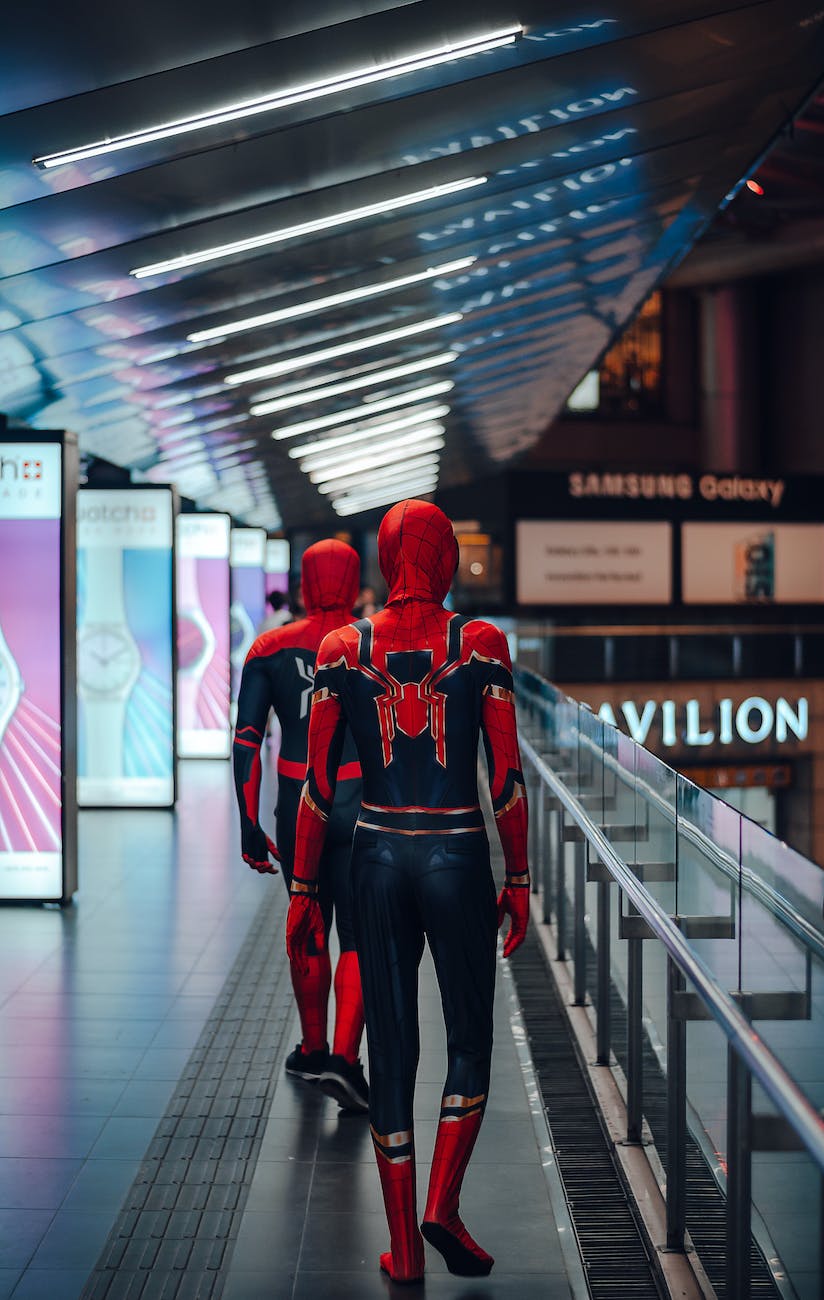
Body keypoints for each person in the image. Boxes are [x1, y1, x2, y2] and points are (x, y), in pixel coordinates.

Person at [286, 499, 530, 1282]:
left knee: (391, 1054)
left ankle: (402, 1252)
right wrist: (519, 878)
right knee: (468, 1042)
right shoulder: (479, 643)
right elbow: (508, 781)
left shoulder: (339, 649)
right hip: (457, 854)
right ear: (441, 554)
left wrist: (300, 891)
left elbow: (318, 791)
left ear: (386, 558)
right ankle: (441, 1206)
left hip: (378, 856)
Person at [233, 539, 368, 1111]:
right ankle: (343, 1057)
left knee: (306, 916)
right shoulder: (375, 642)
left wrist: (247, 822)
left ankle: (312, 1050)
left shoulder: (269, 647)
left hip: (297, 802)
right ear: (358, 579)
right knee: (359, 932)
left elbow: (247, 740)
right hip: (363, 801)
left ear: (304, 583)